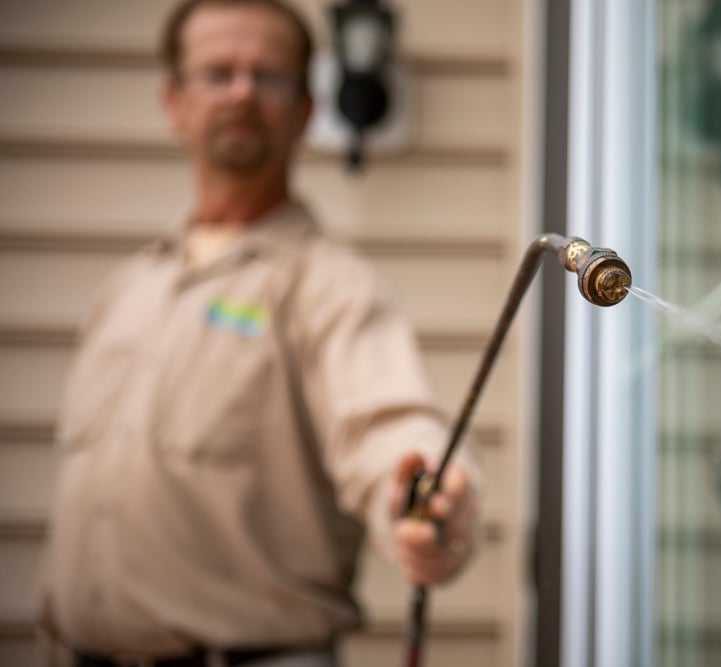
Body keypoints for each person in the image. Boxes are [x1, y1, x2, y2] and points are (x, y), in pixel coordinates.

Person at [37, 1, 479, 665]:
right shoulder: (125, 290)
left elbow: (392, 428)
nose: (242, 91)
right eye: (217, 72)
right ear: (173, 101)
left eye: (268, 76)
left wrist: (426, 495)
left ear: (305, 110)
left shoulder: (330, 286)